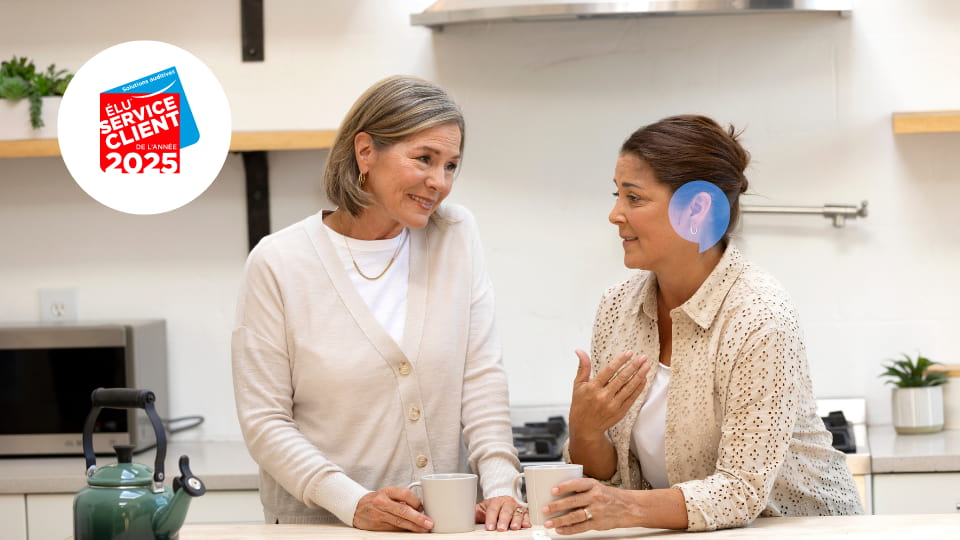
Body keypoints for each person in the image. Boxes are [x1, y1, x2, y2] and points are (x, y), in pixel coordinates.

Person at [231, 75, 527, 533]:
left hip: (441, 523)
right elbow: (264, 422)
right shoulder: (279, 262)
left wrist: (503, 486)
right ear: (365, 151)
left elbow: (481, 378)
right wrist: (354, 503)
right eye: (424, 159)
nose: (439, 182)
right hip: (320, 527)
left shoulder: (454, 235)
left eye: (451, 165)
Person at [543, 115, 863, 534]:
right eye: (616, 195)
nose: (614, 214)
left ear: (696, 209)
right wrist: (585, 432)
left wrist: (624, 507)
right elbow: (616, 479)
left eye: (634, 198)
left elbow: (741, 490)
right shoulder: (617, 306)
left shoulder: (760, 315)